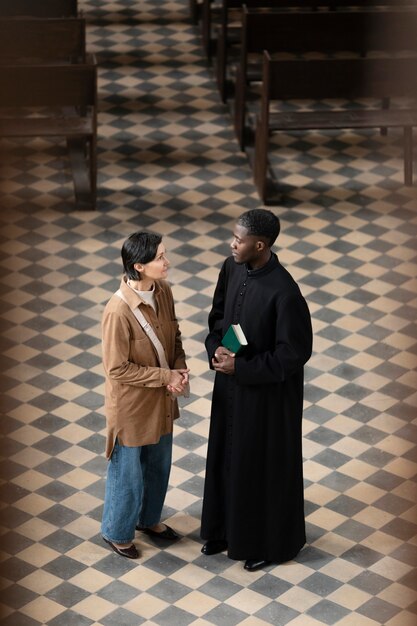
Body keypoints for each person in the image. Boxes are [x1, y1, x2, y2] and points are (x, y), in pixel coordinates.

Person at [201, 209, 312, 572]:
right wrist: (216, 347)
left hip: (267, 399)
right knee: (226, 455)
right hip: (231, 387)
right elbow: (219, 317)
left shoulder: (284, 292)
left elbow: (293, 354)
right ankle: (223, 529)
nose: (232, 244)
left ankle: (272, 543)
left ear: (259, 245)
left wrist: (243, 368)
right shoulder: (231, 268)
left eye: (239, 239)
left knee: (261, 467)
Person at [101, 231, 189, 559]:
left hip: (162, 398)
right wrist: (166, 376)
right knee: (128, 474)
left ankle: (148, 520)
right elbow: (117, 369)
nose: (167, 262)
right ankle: (117, 532)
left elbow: (174, 335)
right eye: (160, 258)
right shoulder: (117, 312)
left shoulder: (162, 291)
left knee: (158, 464)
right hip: (132, 406)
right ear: (139, 266)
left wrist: (179, 369)